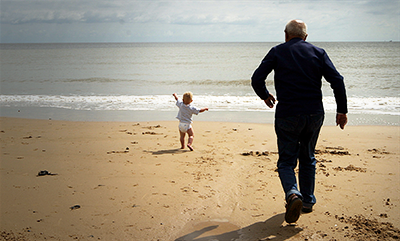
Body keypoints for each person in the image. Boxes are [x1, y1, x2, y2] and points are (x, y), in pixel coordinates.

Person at [251, 20, 348, 223]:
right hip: (314, 114)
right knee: (308, 156)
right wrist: (341, 111)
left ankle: (293, 194)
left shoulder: (277, 51)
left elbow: (256, 78)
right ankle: (307, 202)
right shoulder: (318, 52)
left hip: (288, 113)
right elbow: (337, 80)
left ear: (286, 35)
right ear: (306, 37)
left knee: (286, 160)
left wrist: (265, 95)